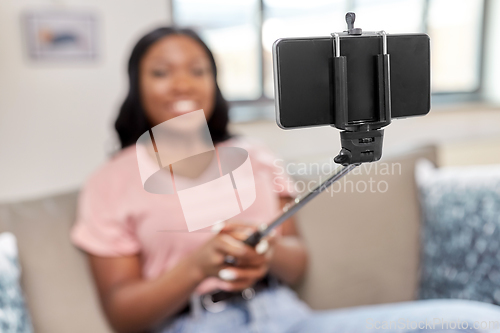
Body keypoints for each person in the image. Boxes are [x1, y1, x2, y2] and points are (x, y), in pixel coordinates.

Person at [71, 27, 500, 333]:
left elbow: (297, 263)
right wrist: (196, 266)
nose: (182, 83)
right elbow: (122, 316)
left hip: (286, 317)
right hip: (195, 323)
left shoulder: (254, 156)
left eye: (198, 70)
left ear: (215, 83)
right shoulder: (111, 181)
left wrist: (268, 249)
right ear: (136, 84)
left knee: (477, 322)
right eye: (161, 72)